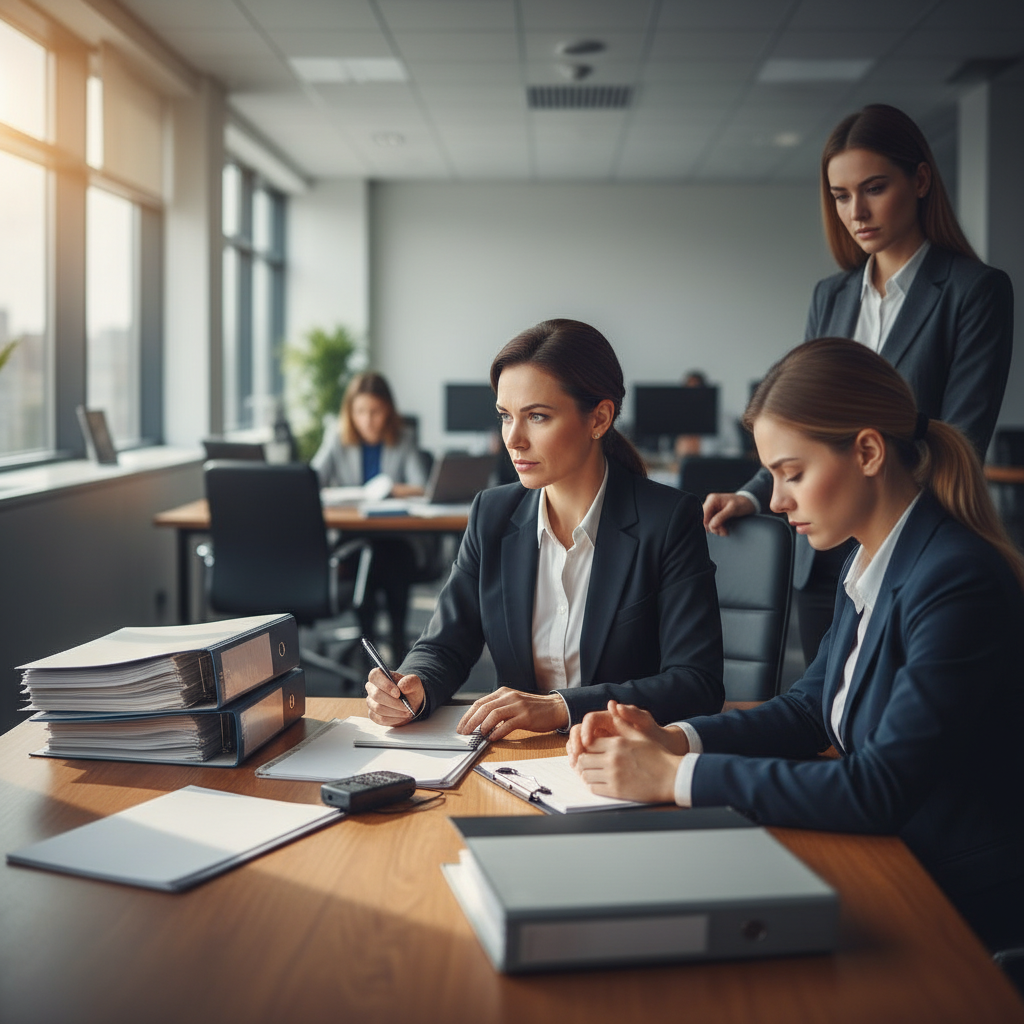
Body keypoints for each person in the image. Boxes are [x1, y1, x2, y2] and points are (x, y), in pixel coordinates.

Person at [570, 338, 1024, 953]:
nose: (777, 501)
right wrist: (673, 738)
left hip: (953, 898)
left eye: (793, 473)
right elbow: (812, 710)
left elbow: (878, 790)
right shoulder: (867, 559)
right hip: (887, 860)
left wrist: (676, 777)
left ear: (867, 451)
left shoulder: (954, 579)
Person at [703, 103, 1014, 665]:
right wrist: (752, 494)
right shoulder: (833, 295)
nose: (856, 211)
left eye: (874, 188)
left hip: (908, 543)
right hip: (819, 556)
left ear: (920, 181)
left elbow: (962, 434)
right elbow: (800, 422)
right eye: (841, 195)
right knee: (826, 713)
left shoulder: (974, 290)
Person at [365, 318, 724, 739]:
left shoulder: (667, 520)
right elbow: (445, 643)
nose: (512, 439)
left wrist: (561, 708)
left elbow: (696, 684)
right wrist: (414, 685)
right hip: (520, 759)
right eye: (505, 416)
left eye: (536, 416)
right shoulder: (492, 514)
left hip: (623, 757)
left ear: (600, 418)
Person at [312, 372, 427, 656]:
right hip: (352, 536)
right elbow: (311, 480)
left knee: (389, 557)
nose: (368, 420)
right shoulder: (337, 438)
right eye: (360, 411)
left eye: (375, 411)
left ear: (388, 410)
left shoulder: (404, 437)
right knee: (368, 557)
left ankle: (396, 642)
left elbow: (422, 486)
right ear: (350, 412)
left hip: (396, 537)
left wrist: (389, 489)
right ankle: (369, 644)